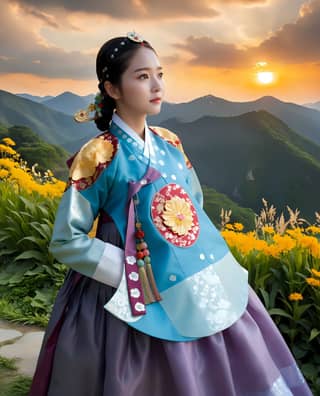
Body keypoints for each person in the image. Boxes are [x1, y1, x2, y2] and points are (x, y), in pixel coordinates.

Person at [29, 32, 313, 396]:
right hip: (129, 280)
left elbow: (193, 201)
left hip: (192, 269)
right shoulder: (99, 154)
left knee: (223, 337)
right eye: (142, 76)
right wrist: (128, 269)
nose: (157, 85)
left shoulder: (170, 142)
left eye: (159, 74)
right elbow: (67, 239)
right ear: (112, 88)